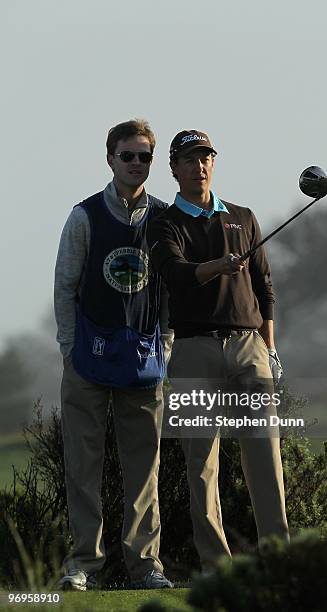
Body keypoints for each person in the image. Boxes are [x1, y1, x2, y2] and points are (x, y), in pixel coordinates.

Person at [147, 129, 289, 572]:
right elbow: (176, 273)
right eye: (189, 159)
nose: (199, 166)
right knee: (201, 462)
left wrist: (270, 346)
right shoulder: (165, 222)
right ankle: (217, 567)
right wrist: (220, 266)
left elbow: (264, 286)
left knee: (265, 453)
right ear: (174, 168)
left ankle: (279, 558)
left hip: (249, 347)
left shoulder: (243, 217)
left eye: (205, 157)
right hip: (193, 350)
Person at [54, 119, 173, 590]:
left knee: (145, 468)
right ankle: (83, 564)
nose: (136, 164)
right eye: (128, 155)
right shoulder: (83, 216)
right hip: (88, 357)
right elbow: (65, 288)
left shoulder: (166, 219)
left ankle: (146, 566)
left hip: (143, 362)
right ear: (110, 158)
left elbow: (170, 293)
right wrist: (69, 349)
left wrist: (165, 346)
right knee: (82, 466)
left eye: (144, 156)